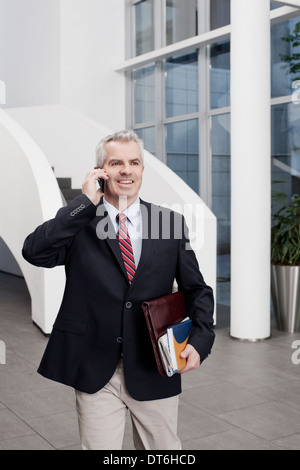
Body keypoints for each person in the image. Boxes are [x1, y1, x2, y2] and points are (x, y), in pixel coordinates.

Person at [22, 130, 215, 450]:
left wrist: (201, 338)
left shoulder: (169, 222)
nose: (126, 170)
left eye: (134, 162)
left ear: (141, 170)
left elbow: (196, 288)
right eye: (116, 163)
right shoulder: (80, 221)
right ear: (100, 171)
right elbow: (34, 251)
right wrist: (83, 202)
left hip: (156, 364)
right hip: (96, 368)